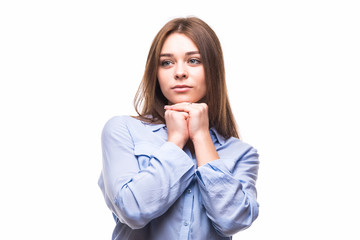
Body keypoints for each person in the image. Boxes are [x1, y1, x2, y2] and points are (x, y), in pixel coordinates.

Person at [98, 17, 259, 240]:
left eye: (193, 61)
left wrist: (201, 136)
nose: (180, 72)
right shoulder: (122, 130)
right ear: (155, 73)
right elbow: (132, 210)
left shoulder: (241, 153)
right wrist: (175, 141)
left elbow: (232, 221)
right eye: (167, 62)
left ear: (213, 69)